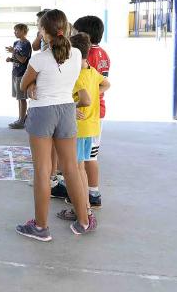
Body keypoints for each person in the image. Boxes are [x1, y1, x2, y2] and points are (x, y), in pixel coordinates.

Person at [16, 9, 96, 242]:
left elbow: (23, 84)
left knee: (43, 169)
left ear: (43, 31)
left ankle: (41, 227)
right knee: (70, 167)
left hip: (43, 112)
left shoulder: (39, 58)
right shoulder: (77, 53)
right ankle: (83, 221)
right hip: (67, 110)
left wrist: (33, 84)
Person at [56, 33, 110, 221]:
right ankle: (84, 205)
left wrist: (74, 105)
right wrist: (94, 93)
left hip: (79, 128)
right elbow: (106, 84)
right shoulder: (92, 71)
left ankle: (83, 209)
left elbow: (84, 100)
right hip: (91, 127)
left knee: (76, 169)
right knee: (80, 167)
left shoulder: (77, 74)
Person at [70, 15, 110, 208]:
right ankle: (87, 192)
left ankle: (91, 193)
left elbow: (87, 86)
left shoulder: (87, 57)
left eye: (76, 32)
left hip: (87, 114)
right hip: (96, 111)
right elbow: (104, 83)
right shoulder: (103, 53)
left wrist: (88, 98)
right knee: (88, 155)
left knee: (87, 157)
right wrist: (95, 94)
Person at [6, 23, 32, 129]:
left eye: (17, 31)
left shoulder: (26, 44)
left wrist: (14, 52)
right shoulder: (16, 42)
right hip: (15, 72)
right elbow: (17, 59)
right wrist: (10, 59)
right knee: (18, 98)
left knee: (22, 98)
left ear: (24, 31)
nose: (15, 33)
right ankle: (20, 118)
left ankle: (22, 120)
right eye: (14, 30)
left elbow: (23, 60)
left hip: (22, 73)